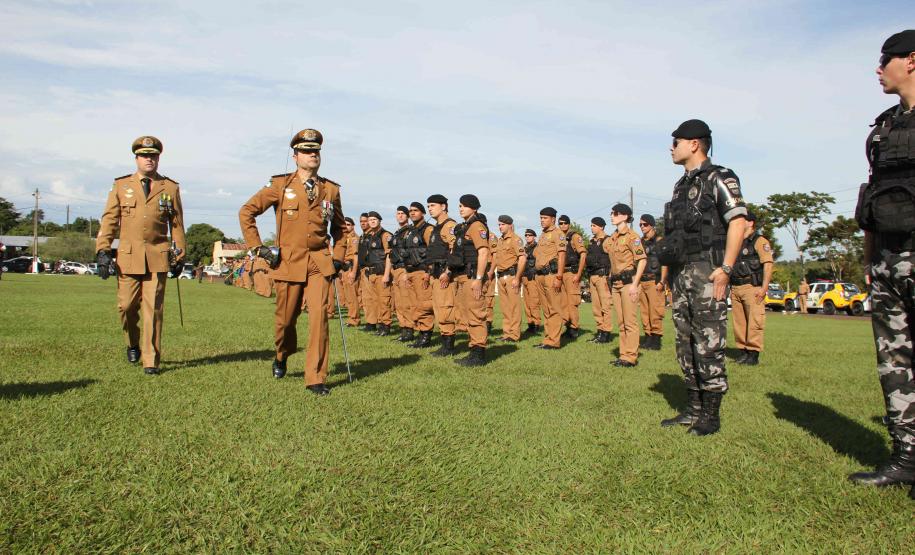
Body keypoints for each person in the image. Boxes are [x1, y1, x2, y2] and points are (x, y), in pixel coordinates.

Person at [849, 30, 915, 497]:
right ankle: (906, 459)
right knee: (894, 361)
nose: (878, 69)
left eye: (885, 60)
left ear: (911, 60)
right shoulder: (884, 128)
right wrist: (870, 262)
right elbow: (872, 199)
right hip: (890, 262)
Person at [238, 128, 345, 396]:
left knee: (320, 318)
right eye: (307, 151)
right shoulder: (280, 185)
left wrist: (339, 257)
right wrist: (258, 248)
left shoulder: (330, 190)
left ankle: (315, 377)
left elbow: (340, 229)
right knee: (286, 321)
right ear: (295, 156)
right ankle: (282, 354)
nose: (312, 155)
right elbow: (246, 212)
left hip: (319, 263)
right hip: (288, 262)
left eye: (316, 151)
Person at [657, 119, 747, 436]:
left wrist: (726, 269)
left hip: (708, 270)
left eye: (676, 142)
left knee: (709, 342)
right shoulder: (680, 186)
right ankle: (693, 409)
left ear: (694, 143)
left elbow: (738, 221)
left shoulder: (719, 177)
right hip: (682, 272)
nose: (671, 148)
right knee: (685, 343)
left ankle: (711, 415)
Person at [96, 135, 186, 375]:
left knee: (153, 310)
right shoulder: (121, 186)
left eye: (153, 156)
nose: (149, 160)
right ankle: (132, 342)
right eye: (145, 156)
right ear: (136, 158)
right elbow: (109, 220)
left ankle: (150, 360)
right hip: (128, 257)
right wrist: (103, 250)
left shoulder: (170, 187)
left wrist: (180, 255)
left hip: (158, 256)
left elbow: (177, 225)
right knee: (126, 306)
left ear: (158, 158)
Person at [448, 194, 491, 366]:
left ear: (473, 208)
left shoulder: (476, 226)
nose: (461, 209)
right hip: (464, 275)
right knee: (468, 315)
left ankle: (478, 355)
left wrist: (478, 279)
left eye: (464, 206)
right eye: (459, 206)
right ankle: (473, 351)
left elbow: (483, 252)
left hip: (473, 276)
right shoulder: (465, 226)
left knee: (476, 315)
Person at [729, 211, 774, 365]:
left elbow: (768, 264)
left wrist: (764, 288)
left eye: (742, 220)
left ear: (750, 223)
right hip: (736, 286)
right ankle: (743, 351)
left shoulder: (759, 241)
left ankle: (753, 354)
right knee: (739, 323)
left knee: (755, 321)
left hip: (752, 287)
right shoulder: (735, 241)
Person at [606, 203, 647, 367]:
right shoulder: (613, 237)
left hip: (629, 282)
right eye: (611, 213)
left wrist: (635, 284)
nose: (612, 216)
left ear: (625, 216)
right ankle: (624, 355)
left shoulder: (632, 237)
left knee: (630, 322)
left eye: (615, 213)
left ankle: (630, 357)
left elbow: (642, 260)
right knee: (621, 322)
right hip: (616, 283)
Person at [426, 194, 459, 357]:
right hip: (435, 274)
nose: (429, 209)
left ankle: (449, 346)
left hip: (445, 275)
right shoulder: (436, 228)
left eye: (433, 205)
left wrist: (448, 271)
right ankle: (444, 343)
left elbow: (455, 249)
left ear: (443, 206)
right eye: (428, 206)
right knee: (439, 309)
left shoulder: (449, 225)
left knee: (446, 310)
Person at [532, 207, 567, 350]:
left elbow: (562, 255)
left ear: (553, 219)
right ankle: (548, 339)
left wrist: (559, 276)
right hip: (540, 275)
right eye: (541, 218)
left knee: (554, 309)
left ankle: (553, 341)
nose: (542, 220)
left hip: (551, 275)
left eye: (545, 218)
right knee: (546, 309)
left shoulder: (558, 234)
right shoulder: (543, 234)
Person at [404, 202, 435, 348]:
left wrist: (429, 272)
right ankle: (420, 333)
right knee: (414, 306)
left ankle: (426, 337)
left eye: (415, 210)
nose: (412, 213)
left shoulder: (427, 229)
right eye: (410, 211)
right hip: (411, 272)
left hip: (422, 272)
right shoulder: (410, 231)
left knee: (424, 305)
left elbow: (432, 251)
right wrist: (406, 273)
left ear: (423, 213)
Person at [493, 215, 527, 342]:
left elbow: (522, 259)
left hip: (512, 276)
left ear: (510, 225)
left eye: (502, 224)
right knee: (505, 308)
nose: (500, 227)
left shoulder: (516, 239)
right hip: (501, 276)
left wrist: (517, 278)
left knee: (514, 307)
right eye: (499, 224)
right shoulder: (500, 240)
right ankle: (507, 333)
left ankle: (514, 334)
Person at [360, 212, 393, 335]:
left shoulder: (385, 235)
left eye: (374, 219)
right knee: (375, 301)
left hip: (381, 273)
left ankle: (386, 326)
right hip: (372, 273)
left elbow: (389, 255)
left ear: (379, 220)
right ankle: (380, 325)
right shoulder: (370, 236)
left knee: (384, 301)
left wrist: (386, 274)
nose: (372, 221)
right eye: (370, 220)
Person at [638, 214, 667, 350]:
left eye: (645, 224)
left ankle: (656, 339)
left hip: (654, 280)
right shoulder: (640, 242)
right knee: (644, 312)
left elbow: (665, 262)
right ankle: (648, 337)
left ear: (652, 225)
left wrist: (662, 281)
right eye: (640, 224)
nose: (642, 227)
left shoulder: (660, 241)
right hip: (642, 281)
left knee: (655, 311)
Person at [586, 217, 614, 343]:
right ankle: (599, 331)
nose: (592, 228)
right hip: (592, 276)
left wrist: (610, 276)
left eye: (594, 226)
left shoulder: (608, 240)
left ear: (601, 227)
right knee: (596, 307)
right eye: (591, 225)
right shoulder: (592, 241)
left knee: (605, 306)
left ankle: (606, 333)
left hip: (603, 276)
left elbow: (613, 259)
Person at [389, 206, 415, 342]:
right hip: (396, 269)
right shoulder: (396, 233)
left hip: (404, 269)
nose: (400, 216)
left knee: (406, 302)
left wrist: (407, 271)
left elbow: (411, 252)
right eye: (398, 213)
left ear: (407, 216)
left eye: (402, 214)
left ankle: (409, 330)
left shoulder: (410, 232)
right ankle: (403, 329)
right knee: (398, 303)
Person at [558, 215, 586, 339]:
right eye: (560, 223)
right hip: (561, 273)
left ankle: (574, 328)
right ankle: (568, 326)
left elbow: (583, 255)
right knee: (563, 303)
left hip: (571, 273)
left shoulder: (574, 237)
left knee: (572, 302)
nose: (562, 225)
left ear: (569, 224)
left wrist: (578, 274)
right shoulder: (560, 237)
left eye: (565, 223)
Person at [340, 217, 362, 326]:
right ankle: (351, 317)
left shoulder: (354, 239)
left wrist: (353, 272)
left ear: (353, 226)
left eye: (348, 224)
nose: (346, 227)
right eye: (344, 225)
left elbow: (356, 256)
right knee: (348, 296)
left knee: (352, 295)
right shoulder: (346, 238)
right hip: (344, 268)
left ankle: (354, 319)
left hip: (351, 267)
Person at [521, 229, 542, 334]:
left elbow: (539, 261)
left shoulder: (537, 247)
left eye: (529, 235)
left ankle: (536, 324)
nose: (527, 237)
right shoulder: (524, 248)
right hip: (524, 277)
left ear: (534, 236)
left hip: (533, 277)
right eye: (526, 235)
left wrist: (528, 256)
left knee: (534, 302)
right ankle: (530, 324)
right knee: (526, 303)